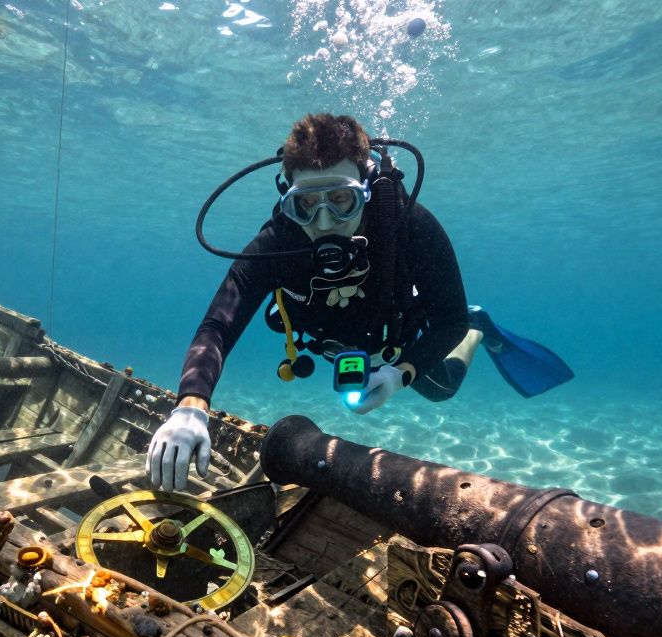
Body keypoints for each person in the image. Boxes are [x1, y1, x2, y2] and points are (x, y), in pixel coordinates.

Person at [147, 113, 571, 492]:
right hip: (330, 339)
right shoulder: (277, 241)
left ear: (366, 189)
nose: (325, 221)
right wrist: (191, 405)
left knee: (442, 389)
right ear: (287, 197)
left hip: (393, 340)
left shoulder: (410, 225)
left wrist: (400, 374)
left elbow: (448, 322)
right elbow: (219, 324)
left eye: (342, 200)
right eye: (306, 205)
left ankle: (484, 327)